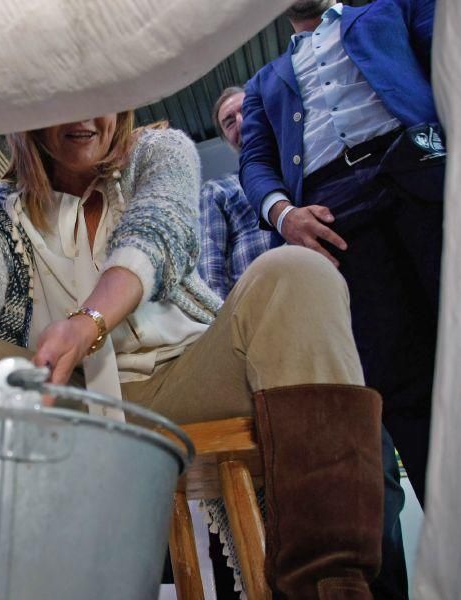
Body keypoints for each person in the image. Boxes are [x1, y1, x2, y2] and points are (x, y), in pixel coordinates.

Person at [0, 111, 385, 597]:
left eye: (101, 94)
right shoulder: (0, 211)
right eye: (62, 99)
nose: (84, 114)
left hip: (191, 375)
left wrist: (88, 320)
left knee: (298, 272)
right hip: (76, 404)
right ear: (30, 115)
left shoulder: (159, 151)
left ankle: (329, 586)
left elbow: (156, 234)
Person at [240, 0, 441, 512]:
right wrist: (285, 215)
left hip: (422, 170)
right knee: (400, 388)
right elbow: (257, 163)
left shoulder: (387, 8)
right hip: (336, 217)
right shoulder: (265, 82)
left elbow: (446, 54)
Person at [214, 82, 410, 598]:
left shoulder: (317, 183)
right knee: (284, 498)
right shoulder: (225, 197)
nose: (238, 124)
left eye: (242, 115)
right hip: (264, 350)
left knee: (374, 485)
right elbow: (213, 282)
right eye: (227, 122)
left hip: (341, 344)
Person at [199, 86, 278, 298]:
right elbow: (210, 267)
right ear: (226, 140)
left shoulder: (302, 169)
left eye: (247, 111)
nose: (242, 123)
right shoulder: (218, 190)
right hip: (261, 310)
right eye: (229, 122)